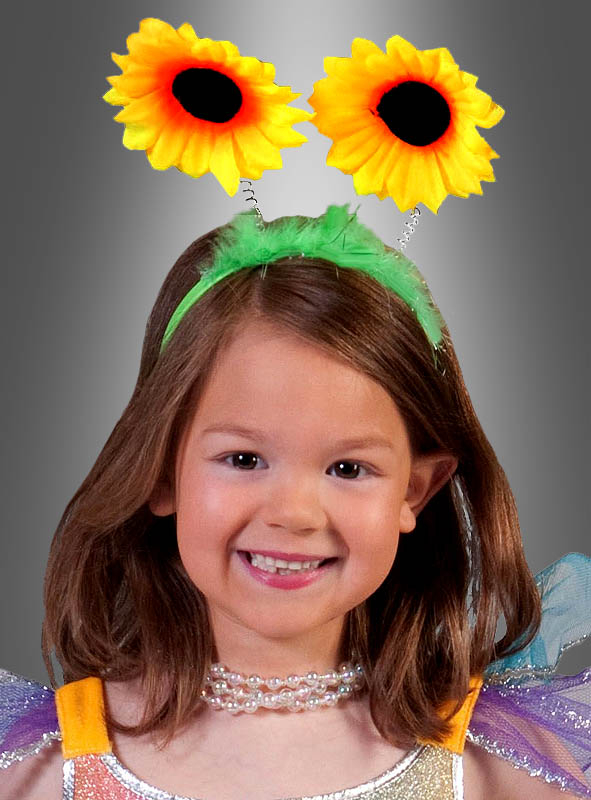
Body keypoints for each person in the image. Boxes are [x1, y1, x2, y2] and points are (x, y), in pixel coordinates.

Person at [1, 19, 590, 800]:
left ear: (415, 490)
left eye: (348, 468)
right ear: (161, 469)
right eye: (244, 459)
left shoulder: (499, 772)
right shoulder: (44, 769)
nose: (294, 513)